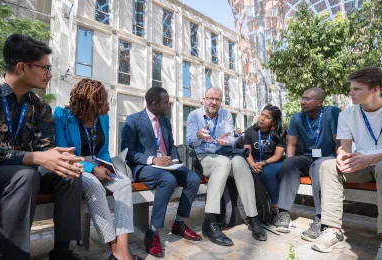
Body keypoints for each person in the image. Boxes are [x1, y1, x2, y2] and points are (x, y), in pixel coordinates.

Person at [0, 34, 84, 260]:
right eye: (45, 68)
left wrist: (57, 157)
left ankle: (63, 253)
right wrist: (37, 158)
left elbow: (45, 149)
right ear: (22, 67)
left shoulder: (40, 107)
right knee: (25, 176)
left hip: (20, 173)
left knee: (69, 172)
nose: (50, 74)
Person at [312, 67, 382, 259]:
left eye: (357, 89)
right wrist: (342, 156)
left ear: (375, 89)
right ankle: (333, 229)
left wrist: (372, 158)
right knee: (328, 165)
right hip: (362, 162)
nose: (351, 93)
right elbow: (344, 147)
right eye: (351, 88)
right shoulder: (347, 114)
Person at [53, 79, 141, 260]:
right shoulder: (62, 116)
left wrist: (105, 165)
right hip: (75, 165)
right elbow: (63, 153)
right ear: (89, 101)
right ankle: (116, 250)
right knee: (95, 186)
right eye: (103, 101)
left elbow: (104, 149)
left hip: (98, 163)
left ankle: (123, 249)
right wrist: (92, 170)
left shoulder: (103, 118)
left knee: (124, 183)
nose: (108, 105)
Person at [121, 87, 202, 258]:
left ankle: (179, 223)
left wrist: (173, 160)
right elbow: (127, 151)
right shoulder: (133, 120)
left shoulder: (165, 121)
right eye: (166, 103)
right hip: (144, 167)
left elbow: (171, 145)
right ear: (154, 104)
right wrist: (153, 160)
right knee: (168, 180)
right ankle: (153, 232)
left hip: (167, 165)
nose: (169, 106)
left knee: (194, 178)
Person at [186, 87, 266, 246]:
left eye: (217, 99)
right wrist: (198, 135)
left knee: (240, 162)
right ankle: (210, 221)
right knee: (224, 162)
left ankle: (252, 218)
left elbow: (230, 138)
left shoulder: (226, 114)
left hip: (222, 154)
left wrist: (225, 141)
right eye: (210, 98)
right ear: (204, 99)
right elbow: (189, 142)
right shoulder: (194, 115)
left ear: (221, 101)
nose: (213, 102)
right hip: (202, 158)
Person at [274, 87, 340, 241]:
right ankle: (283, 213)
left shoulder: (332, 113)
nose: (303, 102)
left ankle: (321, 219)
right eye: (302, 98)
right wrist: (289, 163)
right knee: (289, 163)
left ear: (319, 102)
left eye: (307, 99)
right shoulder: (297, 118)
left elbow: (339, 140)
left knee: (320, 167)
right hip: (307, 158)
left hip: (328, 158)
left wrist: (339, 163)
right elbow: (291, 144)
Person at [244, 104, 285, 212]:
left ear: (274, 121)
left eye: (267, 117)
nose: (262, 118)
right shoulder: (250, 131)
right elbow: (247, 152)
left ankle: (276, 207)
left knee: (267, 172)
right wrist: (253, 165)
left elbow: (278, 155)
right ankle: (253, 209)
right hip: (254, 161)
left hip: (273, 162)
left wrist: (264, 163)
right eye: (262, 114)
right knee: (245, 171)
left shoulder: (279, 134)